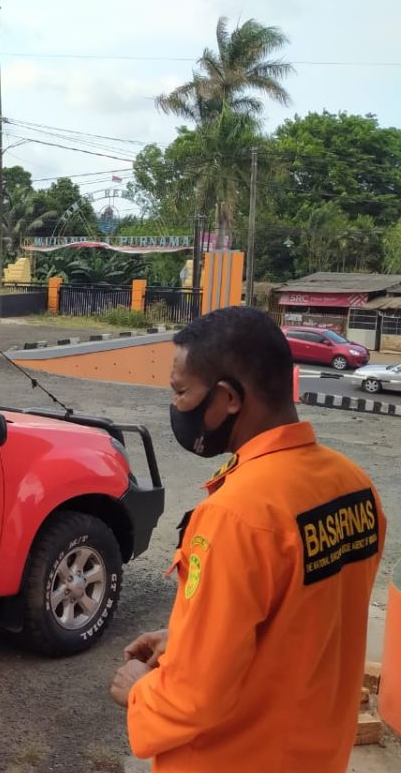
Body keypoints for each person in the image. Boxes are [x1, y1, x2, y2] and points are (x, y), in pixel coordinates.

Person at [110, 307, 386, 771]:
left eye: (181, 392)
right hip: (317, 753)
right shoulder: (354, 484)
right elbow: (307, 615)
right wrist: (186, 637)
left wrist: (141, 692)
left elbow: (195, 696)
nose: (176, 406)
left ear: (228, 399)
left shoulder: (236, 515)